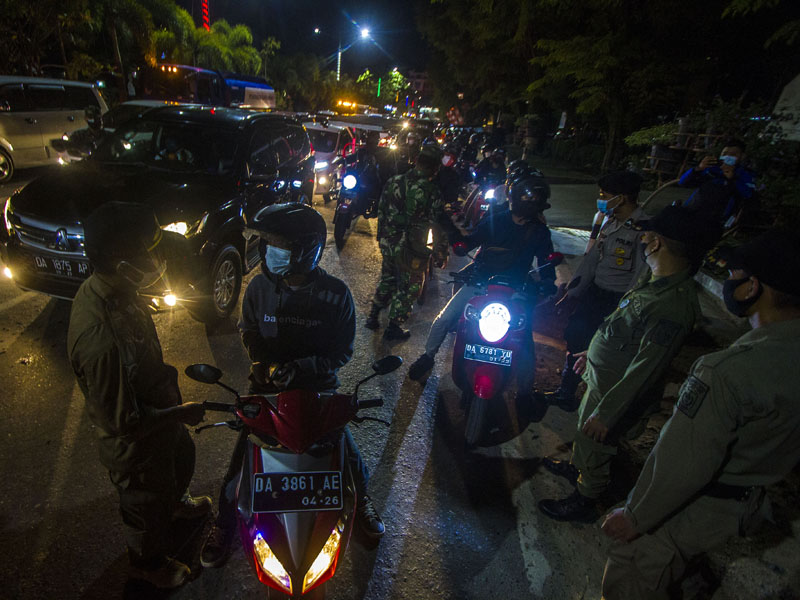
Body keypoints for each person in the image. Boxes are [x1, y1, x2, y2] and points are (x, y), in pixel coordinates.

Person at [600, 230, 800, 600]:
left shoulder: (727, 371)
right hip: (749, 499)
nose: (729, 282)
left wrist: (635, 517)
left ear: (752, 287)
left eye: (734, 274)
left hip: (703, 502)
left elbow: (683, 462)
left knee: (633, 565)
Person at [201, 203, 385, 569]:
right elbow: (249, 331)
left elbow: (342, 351)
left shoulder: (336, 296)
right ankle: (222, 521)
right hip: (267, 390)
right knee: (241, 463)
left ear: (306, 250)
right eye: (267, 243)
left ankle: (361, 499)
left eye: (277, 244)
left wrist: (303, 367)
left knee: (344, 450)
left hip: (318, 391)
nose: (269, 251)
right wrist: (265, 364)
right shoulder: (258, 288)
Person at [538, 205, 720, 523]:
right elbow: (622, 329)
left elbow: (645, 369)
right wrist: (590, 354)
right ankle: (578, 469)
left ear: (657, 242)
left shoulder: (673, 305)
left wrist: (607, 414)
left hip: (615, 392)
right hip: (602, 379)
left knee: (596, 443)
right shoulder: (654, 279)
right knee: (584, 435)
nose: (642, 237)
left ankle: (585, 498)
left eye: (647, 233)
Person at [67, 202, 210, 589]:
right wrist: (180, 412)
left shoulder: (119, 289)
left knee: (178, 463)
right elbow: (121, 422)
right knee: (144, 505)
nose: (157, 259)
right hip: (137, 443)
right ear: (120, 263)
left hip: (160, 416)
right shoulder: (100, 339)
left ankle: (175, 505)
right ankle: (147, 565)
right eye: (148, 253)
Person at [407, 173, 556, 394]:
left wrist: (548, 282)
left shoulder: (540, 232)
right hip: (481, 282)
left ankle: (525, 391)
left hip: (515, 290)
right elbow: (472, 240)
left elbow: (547, 262)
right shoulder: (497, 220)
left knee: (524, 339)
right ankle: (428, 356)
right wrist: (459, 243)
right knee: (444, 319)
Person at [542, 171, 650, 412]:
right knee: (575, 335)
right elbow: (591, 262)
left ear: (621, 198)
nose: (601, 199)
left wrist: (625, 311)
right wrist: (573, 292)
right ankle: (567, 392)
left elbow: (640, 275)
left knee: (606, 349)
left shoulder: (642, 230)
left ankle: (599, 403)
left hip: (618, 301)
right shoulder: (608, 221)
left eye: (605, 195)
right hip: (595, 294)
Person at [365, 144, 452, 341]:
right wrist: (441, 251)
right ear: (435, 167)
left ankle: (373, 315)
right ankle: (393, 327)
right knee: (409, 287)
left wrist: (382, 237)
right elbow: (436, 225)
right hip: (412, 248)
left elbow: (381, 211)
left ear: (417, 161)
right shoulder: (432, 191)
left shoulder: (394, 181)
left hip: (389, 241)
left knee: (387, 277)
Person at [678, 138, 756, 228]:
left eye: (733, 154)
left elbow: (748, 196)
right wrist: (698, 169)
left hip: (716, 220)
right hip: (692, 211)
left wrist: (732, 179)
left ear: (742, 156)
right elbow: (683, 183)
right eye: (725, 154)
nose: (727, 157)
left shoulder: (745, 174)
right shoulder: (711, 169)